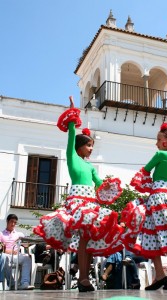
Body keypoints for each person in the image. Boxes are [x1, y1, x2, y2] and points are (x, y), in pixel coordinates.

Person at [33, 96, 124, 292]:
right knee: (84, 238)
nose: (91, 149)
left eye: (92, 146)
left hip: (90, 203)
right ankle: (83, 278)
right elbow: (71, 136)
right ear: (80, 146)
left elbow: (99, 185)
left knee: (88, 240)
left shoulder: (90, 167)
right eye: (88, 145)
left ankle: (84, 277)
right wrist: (73, 114)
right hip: (77, 203)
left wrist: (106, 185)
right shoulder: (72, 157)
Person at [121, 117, 167, 290]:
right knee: (152, 236)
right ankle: (160, 276)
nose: (156, 143)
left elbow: (145, 170)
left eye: (158, 140)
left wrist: (143, 182)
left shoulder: (161, 154)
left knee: (161, 235)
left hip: (157, 197)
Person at [0, 214, 34, 290]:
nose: (13, 224)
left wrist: (27, 243)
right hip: (6, 255)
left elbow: (26, 244)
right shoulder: (1, 234)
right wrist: (8, 251)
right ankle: (12, 284)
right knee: (4, 258)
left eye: (15, 222)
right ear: (7, 221)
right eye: (11, 222)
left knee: (27, 258)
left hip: (16, 255)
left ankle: (25, 283)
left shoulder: (19, 234)